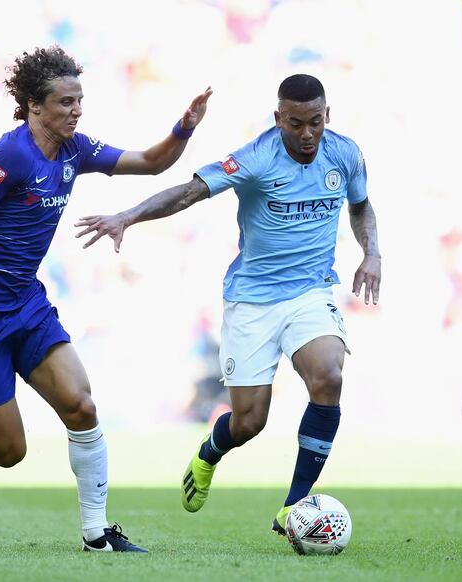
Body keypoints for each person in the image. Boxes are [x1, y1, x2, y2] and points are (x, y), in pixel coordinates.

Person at [0, 45, 212, 552]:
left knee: (81, 405)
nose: (77, 111)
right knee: (9, 454)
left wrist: (184, 127)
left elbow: (149, 162)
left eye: (80, 101)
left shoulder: (75, 149)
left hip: (26, 303)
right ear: (35, 105)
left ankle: (97, 533)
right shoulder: (10, 155)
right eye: (65, 103)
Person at [75, 74, 380, 534]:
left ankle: (292, 509)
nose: (306, 134)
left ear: (327, 116)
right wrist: (129, 216)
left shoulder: (346, 154)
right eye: (295, 123)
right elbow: (189, 192)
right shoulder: (255, 158)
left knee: (329, 373)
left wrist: (371, 252)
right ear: (278, 118)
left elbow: (360, 205)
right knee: (248, 422)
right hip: (253, 301)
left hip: (310, 292)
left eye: (315, 122)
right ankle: (209, 453)